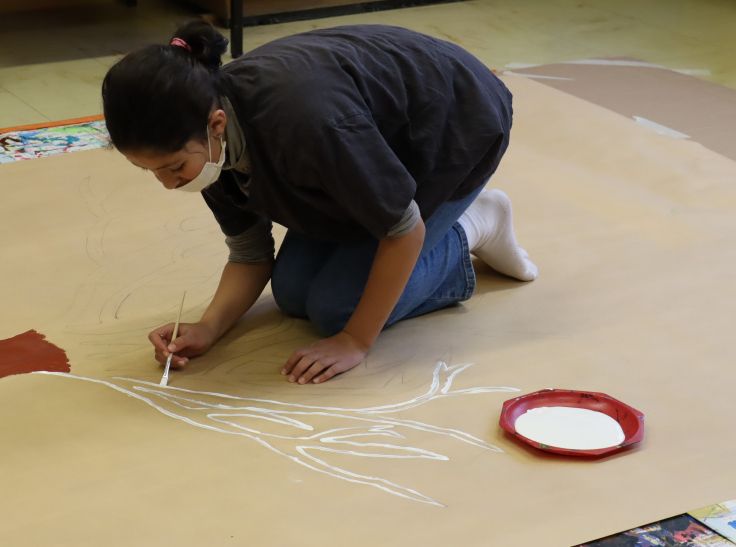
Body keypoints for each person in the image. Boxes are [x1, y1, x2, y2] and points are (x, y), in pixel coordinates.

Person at [101, 20, 538, 385]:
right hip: (371, 141)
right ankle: (388, 208)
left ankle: (476, 222)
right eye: (150, 170)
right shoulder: (208, 140)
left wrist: (355, 341)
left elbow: (403, 230)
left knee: (338, 310)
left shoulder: (307, 125)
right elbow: (251, 256)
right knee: (291, 292)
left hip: (453, 128)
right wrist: (208, 327)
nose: (168, 184)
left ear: (215, 125)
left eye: (174, 168)